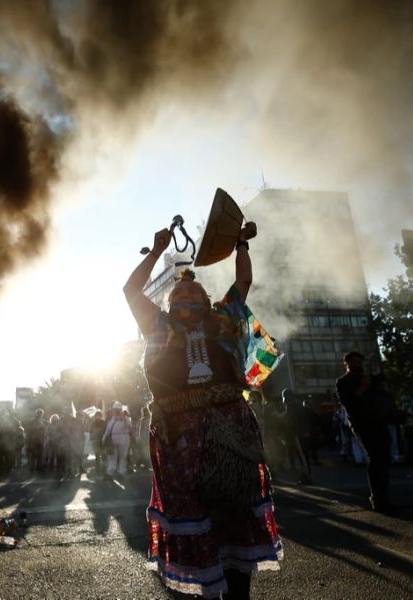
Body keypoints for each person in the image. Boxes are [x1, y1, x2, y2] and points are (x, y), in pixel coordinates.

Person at [124, 221, 283, 599]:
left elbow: (243, 282)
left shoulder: (222, 320)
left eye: (194, 288)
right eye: (179, 291)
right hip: (179, 437)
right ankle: (208, 588)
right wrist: (158, 249)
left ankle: (239, 589)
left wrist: (240, 243)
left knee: (236, 507)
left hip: (231, 426)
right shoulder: (158, 325)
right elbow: (131, 290)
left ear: (206, 296)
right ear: (168, 302)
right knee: (194, 513)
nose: (186, 292)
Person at [335, 352, 393, 511]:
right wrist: (362, 388)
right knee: (376, 458)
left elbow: (384, 398)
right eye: (353, 361)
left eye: (360, 361)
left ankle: (384, 497)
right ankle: (378, 499)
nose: (358, 364)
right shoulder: (343, 382)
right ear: (346, 363)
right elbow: (348, 403)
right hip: (363, 424)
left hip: (379, 421)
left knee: (385, 458)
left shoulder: (370, 378)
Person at [102, 401, 132, 480]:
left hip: (115, 439)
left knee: (113, 457)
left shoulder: (114, 419)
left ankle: (111, 473)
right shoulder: (125, 418)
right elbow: (130, 429)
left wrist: (104, 439)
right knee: (121, 457)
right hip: (124, 439)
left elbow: (108, 430)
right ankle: (120, 473)